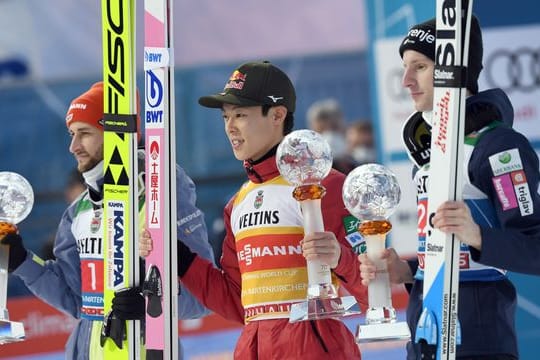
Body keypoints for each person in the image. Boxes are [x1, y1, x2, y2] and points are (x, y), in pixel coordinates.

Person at [140, 61, 368, 359]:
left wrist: (340, 257)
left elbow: (372, 286)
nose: (229, 127)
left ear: (277, 115)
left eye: (240, 115)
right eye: (225, 117)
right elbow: (238, 302)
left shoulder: (325, 186)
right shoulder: (238, 203)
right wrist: (177, 257)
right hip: (253, 349)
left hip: (315, 348)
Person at [358, 15, 540, 360]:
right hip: (426, 335)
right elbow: (446, 254)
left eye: (420, 67)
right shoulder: (428, 155)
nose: (406, 81)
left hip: (479, 341)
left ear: (451, 71)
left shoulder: (498, 147)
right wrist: (408, 271)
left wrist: (479, 236)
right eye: (404, 67)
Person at [0, 81, 215, 359]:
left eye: (84, 134)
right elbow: (77, 300)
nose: (73, 146)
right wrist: (21, 261)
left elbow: (203, 296)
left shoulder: (160, 192)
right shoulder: (78, 211)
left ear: (114, 134)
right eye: (71, 134)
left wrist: (153, 305)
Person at [306, 98, 356, 174]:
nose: (330, 137)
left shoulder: (358, 167)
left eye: (334, 128)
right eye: (322, 130)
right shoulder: (304, 170)